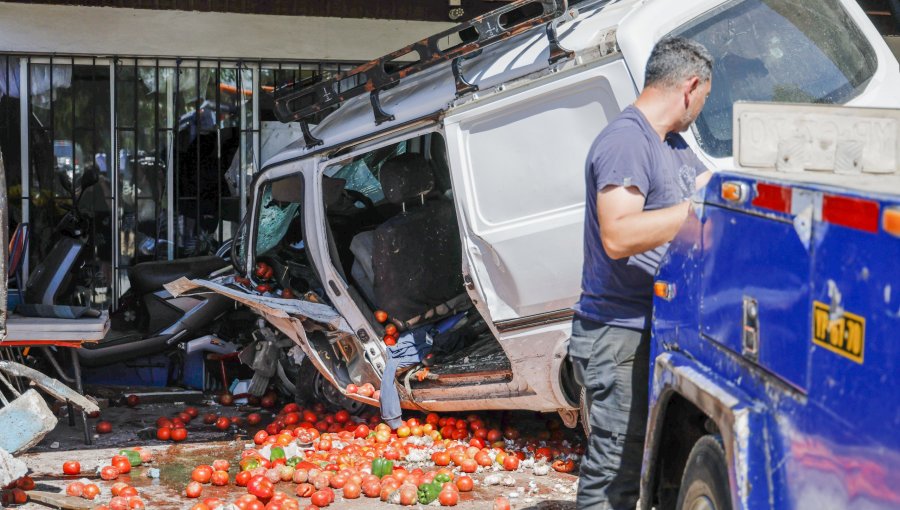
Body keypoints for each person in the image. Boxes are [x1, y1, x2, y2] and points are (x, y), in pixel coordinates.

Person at [569, 37, 713, 509]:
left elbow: (696, 203)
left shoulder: (671, 145)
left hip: (652, 329)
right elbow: (619, 234)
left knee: (642, 468)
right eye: (705, 97)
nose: (700, 109)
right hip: (617, 335)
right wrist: (695, 210)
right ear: (690, 86)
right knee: (615, 476)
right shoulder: (627, 141)